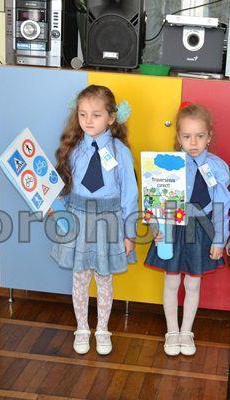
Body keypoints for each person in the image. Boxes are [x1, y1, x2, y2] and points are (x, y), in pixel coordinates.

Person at [50, 85, 138, 355]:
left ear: (111, 117)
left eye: (96, 115)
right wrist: (55, 206)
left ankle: (102, 329)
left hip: (108, 223)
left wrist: (129, 233)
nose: (88, 121)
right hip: (78, 220)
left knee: (104, 278)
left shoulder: (120, 152)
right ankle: (81, 328)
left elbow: (130, 194)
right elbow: (64, 187)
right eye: (83, 114)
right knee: (79, 278)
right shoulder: (73, 149)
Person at [145, 103, 230, 356]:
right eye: (186, 136)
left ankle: (187, 331)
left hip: (202, 229)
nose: (193, 142)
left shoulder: (218, 167)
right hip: (172, 228)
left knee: (193, 283)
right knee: (172, 280)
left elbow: (221, 206)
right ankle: (172, 330)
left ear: (209, 136)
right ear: (178, 137)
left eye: (199, 136)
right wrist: (156, 227)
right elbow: (157, 200)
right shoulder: (167, 164)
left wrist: (220, 239)